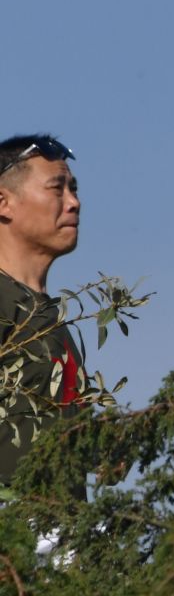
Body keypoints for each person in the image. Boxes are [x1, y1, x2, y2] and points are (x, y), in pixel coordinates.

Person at [0, 135, 85, 482]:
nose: (74, 202)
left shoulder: (55, 319)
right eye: (57, 189)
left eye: (74, 189)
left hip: (67, 527)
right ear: (4, 203)